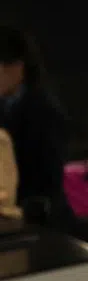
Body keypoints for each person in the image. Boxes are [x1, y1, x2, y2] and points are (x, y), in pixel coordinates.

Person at [0, 26, 72, 229]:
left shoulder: (44, 109)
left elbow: (49, 178)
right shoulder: (4, 107)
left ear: (17, 67)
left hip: (42, 221)